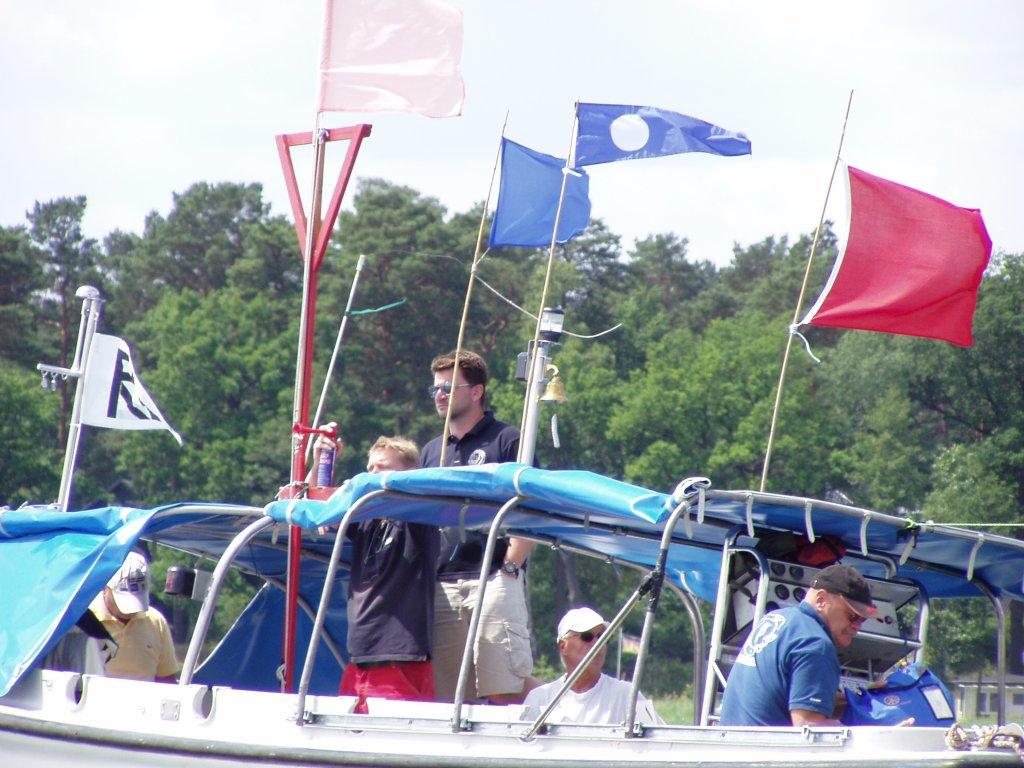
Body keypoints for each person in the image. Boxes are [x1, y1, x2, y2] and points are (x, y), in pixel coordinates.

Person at [420, 350, 535, 703]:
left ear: (476, 392)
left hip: (495, 576)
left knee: (503, 689)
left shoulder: (508, 440)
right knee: (451, 698)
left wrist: (511, 566)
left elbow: (531, 507)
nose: (439, 395)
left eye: (448, 387)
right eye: (435, 388)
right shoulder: (431, 451)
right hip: (443, 585)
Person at [335, 436, 440, 714]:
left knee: (394, 732)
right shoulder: (365, 518)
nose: (372, 474)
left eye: (382, 468)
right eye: (369, 468)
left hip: (399, 658)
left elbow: (419, 495)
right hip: (359, 657)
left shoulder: (419, 518)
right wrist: (324, 460)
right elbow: (323, 509)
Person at [719, 563, 880, 726]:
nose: (857, 626)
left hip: (730, 738)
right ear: (821, 599)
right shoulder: (815, 643)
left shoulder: (778, 618)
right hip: (766, 742)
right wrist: (874, 734)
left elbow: (801, 698)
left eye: (863, 619)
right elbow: (808, 725)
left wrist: (863, 697)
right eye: (853, 616)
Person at [522, 607, 663, 725]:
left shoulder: (627, 696)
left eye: (602, 637)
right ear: (563, 646)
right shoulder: (539, 699)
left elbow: (660, 739)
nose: (597, 643)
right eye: (587, 636)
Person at [89, 550, 179, 682]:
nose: (130, 611)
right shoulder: (82, 621)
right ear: (104, 588)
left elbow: (166, 679)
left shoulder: (156, 621)